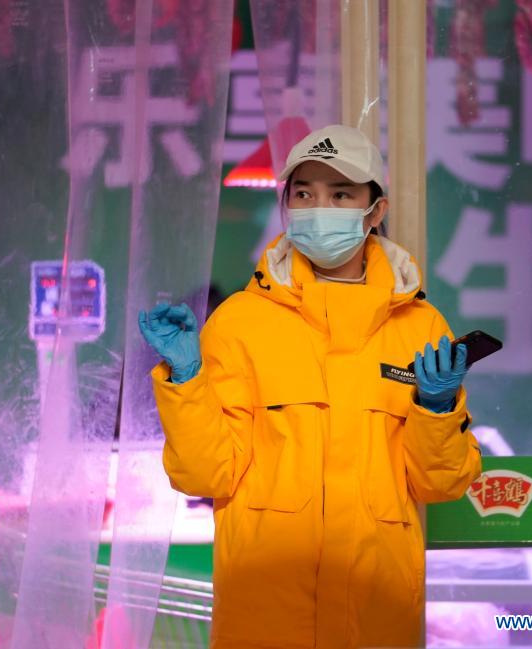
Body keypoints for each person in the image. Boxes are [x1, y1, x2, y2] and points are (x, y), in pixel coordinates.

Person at [138, 124, 482, 649]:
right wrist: (187, 380)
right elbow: (206, 473)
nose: (319, 208)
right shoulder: (239, 323)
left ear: (375, 211)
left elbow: (441, 484)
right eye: (304, 194)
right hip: (266, 618)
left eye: (340, 195)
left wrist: (436, 409)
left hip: (377, 617)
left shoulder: (420, 327)